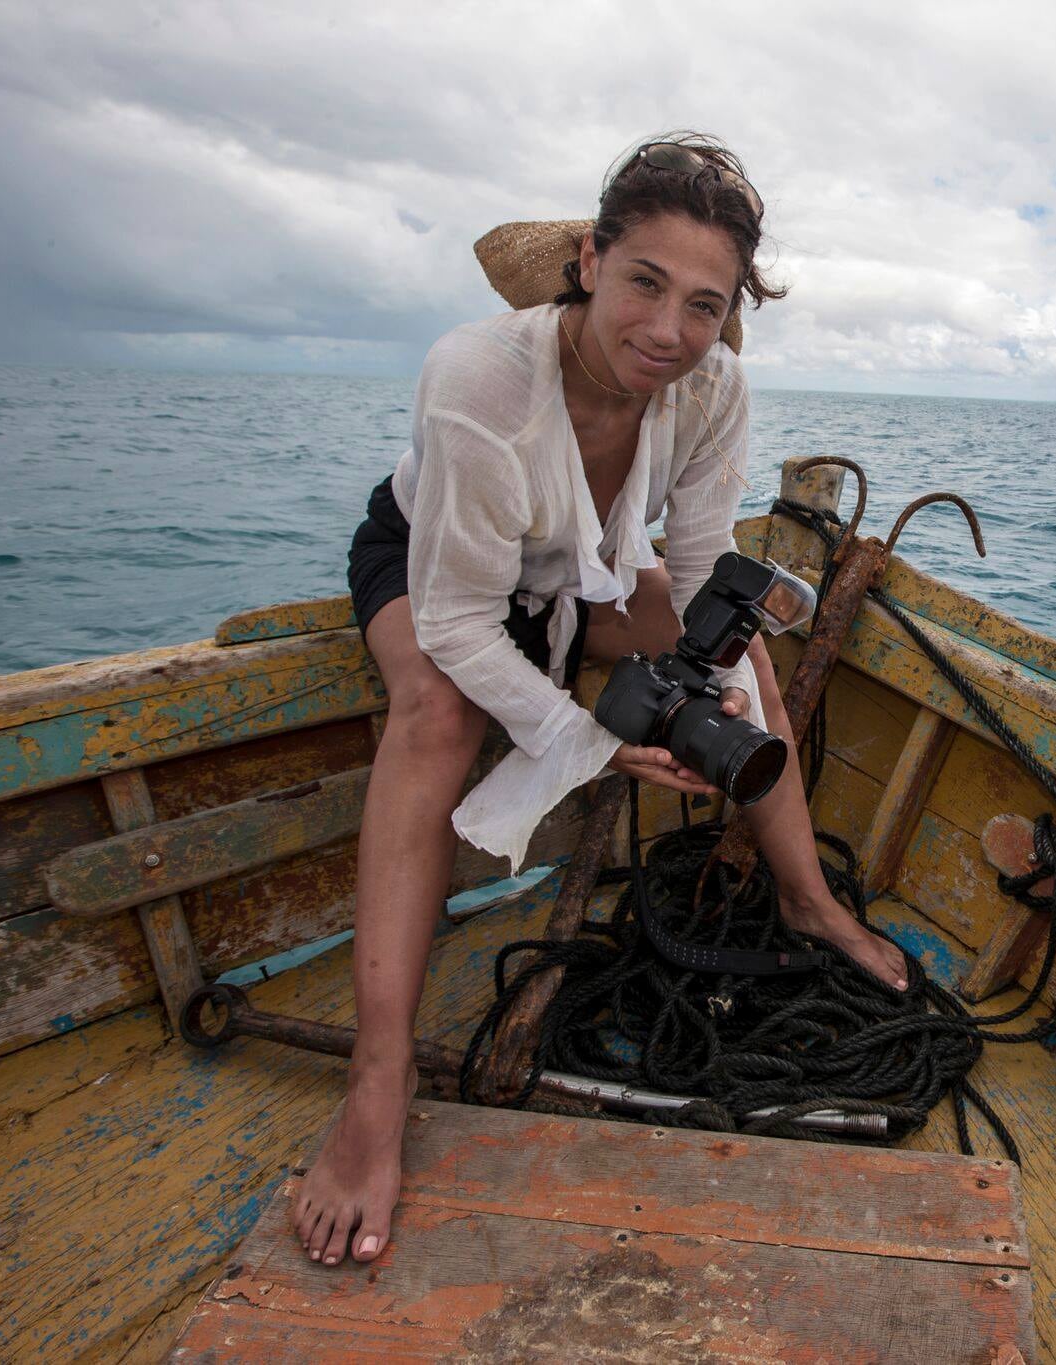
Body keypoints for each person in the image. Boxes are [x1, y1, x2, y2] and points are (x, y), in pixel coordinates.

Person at [293, 134, 909, 1270]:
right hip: (441, 569)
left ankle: (807, 899)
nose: (669, 332)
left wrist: (701, 682)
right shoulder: (478, 381)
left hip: (586, 571)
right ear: (588, 260)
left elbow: (703, 563)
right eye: (645, 284)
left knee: (740, 655)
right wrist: (584, 739)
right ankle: (374, 1088)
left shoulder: (710, 387)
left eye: (704, 306)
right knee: (435, 710)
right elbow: (460, 625)